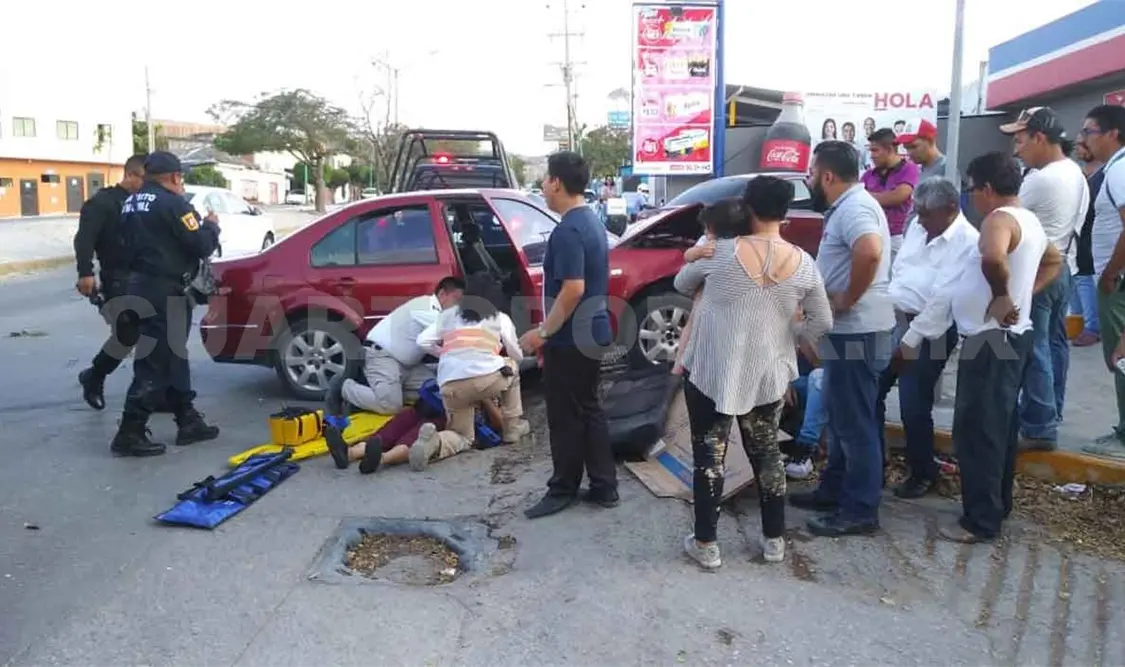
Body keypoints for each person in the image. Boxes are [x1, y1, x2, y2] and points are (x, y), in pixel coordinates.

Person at [674, 179, 832, 569]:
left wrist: (698, 253)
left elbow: (681, 282)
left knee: (709, 457)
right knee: (768, 457)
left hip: (712, 371)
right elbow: (823, 320)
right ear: (785, 213)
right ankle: (774, 541)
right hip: (767, 375)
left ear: (747, 207)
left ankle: (707, 545)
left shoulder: (720, 252)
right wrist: (791, 337)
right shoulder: (803, 262)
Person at [943, 152, 1060, 542]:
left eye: (972, 190)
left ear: (987, 189)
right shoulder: (1030, 221)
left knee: (979, 429)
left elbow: (992, 257)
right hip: (1011, 336)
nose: (971, 198)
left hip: (990, 340)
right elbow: (1054, 261)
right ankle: (997, 503)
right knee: (1000, 425)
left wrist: (1001, 295)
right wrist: (1022, 294)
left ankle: (982, 520)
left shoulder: (999, 219)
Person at [791, 140, 895, 537]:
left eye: (812, 173)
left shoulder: (856, 207)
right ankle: (833, 491)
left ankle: (860, 509)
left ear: (827, 175)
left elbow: (869, 252)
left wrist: (846, 299)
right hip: (849, 331)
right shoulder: (848, 207)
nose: (809, 180)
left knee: (855, 424)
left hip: (859, 331)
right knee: (842, 416)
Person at [520, 151, 616, 519]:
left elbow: (573, 288)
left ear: (557, 182)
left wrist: (543, 333)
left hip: (572, 338)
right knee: (588, 409)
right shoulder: (589, 221)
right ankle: (604, 485)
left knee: (564, 416)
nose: (543, 186)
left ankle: (563, 488)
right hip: (591, 331)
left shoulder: (568, 230)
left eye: (545, 179)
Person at [110, 152, 221, 457]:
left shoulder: (131, 202)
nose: (181, 182)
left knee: (172, 356)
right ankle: (129, 431)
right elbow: (200, 244)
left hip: (139, 285)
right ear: (174, 177)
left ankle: (187, 419)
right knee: (156, 360)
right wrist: (211, 226)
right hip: (164, 290)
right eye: (180, 177)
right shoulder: (174, 204)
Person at [879, 178, 979, 498]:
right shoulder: (918, 227)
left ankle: (923, 471)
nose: (918, 219)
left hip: (930, 331)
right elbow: (902, 272)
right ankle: (874, 463)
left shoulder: (966, 240)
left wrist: (909, 341)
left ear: (951, 209)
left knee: (913, 403)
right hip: (896, 320)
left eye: (925, 214)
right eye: (917, 212)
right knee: (872, 390)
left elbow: (942, 300)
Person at [1000, 107, 1089, 450]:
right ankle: (1051, 413)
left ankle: (1039, 428)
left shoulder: (1040, 179)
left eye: (1021, 140)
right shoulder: (1074, 173)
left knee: (1034, 350)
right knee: (1054, 346)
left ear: (1039, 137)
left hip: (1037, 270)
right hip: (1063, 266)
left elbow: (1009, 218)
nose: (1017, 149)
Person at [410, 287, 531, 470]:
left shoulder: (449, 316)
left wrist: (445, 354)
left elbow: (422, 341)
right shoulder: (500, 318)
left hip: (450, 384)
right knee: (512, 367)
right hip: (487, 380)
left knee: (463, 436)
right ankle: (512, 428)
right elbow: (517, 356)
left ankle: (433, 443)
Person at [74, 154, 148, 410]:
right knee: (127, 335)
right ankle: (94, 376)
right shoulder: (103, 202)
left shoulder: (146, 202)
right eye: (144, 179)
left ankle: (154, 391)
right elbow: (84, 239)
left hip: (146, 277)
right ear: (130, 175)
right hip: (117, 278)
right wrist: (85, 272)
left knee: (154, 334)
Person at [334, 277, 465, 415]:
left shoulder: (437, 312)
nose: (458, 306)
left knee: (433, 392)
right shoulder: (425, 306)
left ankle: (384, 392)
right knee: (390, 406)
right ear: (442, 294)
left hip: (409, 366)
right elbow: (450, 333)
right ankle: (345, 388)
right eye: (456, 300)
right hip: (383, 356)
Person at [1086, 104, 1125, 457]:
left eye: (1089, 132)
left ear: (1112, 133)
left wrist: (1111, 272)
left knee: (1121, 355)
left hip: (1119, 281)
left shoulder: (1118, 172)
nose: (1085, 139)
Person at [862, 128, 921, 261]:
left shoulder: (909, 169)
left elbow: (898, 197)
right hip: (873, 236)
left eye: (875, 150)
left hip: (897, 237)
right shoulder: (868, 175)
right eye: (871, 150)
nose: (872, 155)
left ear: (889, 150)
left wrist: (865, 196)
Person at [1071, 140, 1105, 347]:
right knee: (1078, 278)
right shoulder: (1081, 176)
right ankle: (1078, 321)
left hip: (1092, 236)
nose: (1078, 149)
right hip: (1079, 235)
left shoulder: (1103, 176)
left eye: (1083, 145)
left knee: (1085, 278)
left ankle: (1092, 327)